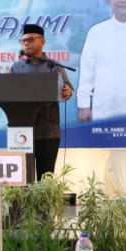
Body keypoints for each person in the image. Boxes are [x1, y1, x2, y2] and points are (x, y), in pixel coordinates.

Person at [10, 23, 74, 180]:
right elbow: (8, 92)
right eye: (23, 40)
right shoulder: (17, 68)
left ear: (42, 41)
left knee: (45, 178)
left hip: (48, 132)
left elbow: (68, 88)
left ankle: (44, 206)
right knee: (23, 179)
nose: (26, 43)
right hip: (22, 133)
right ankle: (23, 206)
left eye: (30, 39)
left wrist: (68, 91)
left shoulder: (54, 67)